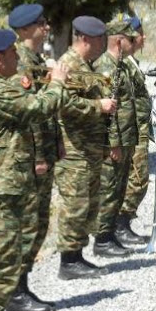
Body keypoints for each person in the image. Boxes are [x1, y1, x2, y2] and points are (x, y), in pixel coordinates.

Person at [0, 29, 68, 311]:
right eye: (12, 53)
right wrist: (57, 79)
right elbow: (38, 108)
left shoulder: (0, 85)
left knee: (9, 255)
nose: (17, 57)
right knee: (1, 258)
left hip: (8, 184)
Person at [54, 16, 117, 280]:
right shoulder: (68, 65)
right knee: (75, 204)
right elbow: (63, 104)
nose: (105, 43)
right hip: (74, 149)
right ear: (86, 39)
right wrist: (98, 106)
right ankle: (68, 261)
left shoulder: (86, 65)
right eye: (101, 38)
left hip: (89, 148)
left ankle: (78, 255)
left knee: (88, 203)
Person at [6, 4, 57, 311]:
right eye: (40, 23)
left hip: (45, 152)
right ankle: (15, 291)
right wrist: (40, 155)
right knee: (28, 224)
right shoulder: (22, 63)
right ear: (25, 29)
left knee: (39, 223)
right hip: (30, 157)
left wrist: (58, 143)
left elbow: (50, 111)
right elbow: (30, 116)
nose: (46, 26)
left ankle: (22, 286)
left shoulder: (37, 60)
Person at [93, 19, 140, 257]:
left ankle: (110, 233)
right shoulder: (106, 67)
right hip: (115, 142)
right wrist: (112, 143)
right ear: (118, 41)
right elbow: (107, 113)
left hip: (126, 138)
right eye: (131, 39)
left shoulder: (120, 65)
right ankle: (102, 238)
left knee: (119, 188)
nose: (135, 43)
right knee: (109, 189)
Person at [116, 15, 151, 245]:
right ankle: (120, 223)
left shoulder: (132, 61)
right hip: (132, 129)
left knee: (137, 178)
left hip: (139, 127)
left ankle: (122, 223)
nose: (143, 38)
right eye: (138, 34)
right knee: (137, 179)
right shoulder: (123, 63)